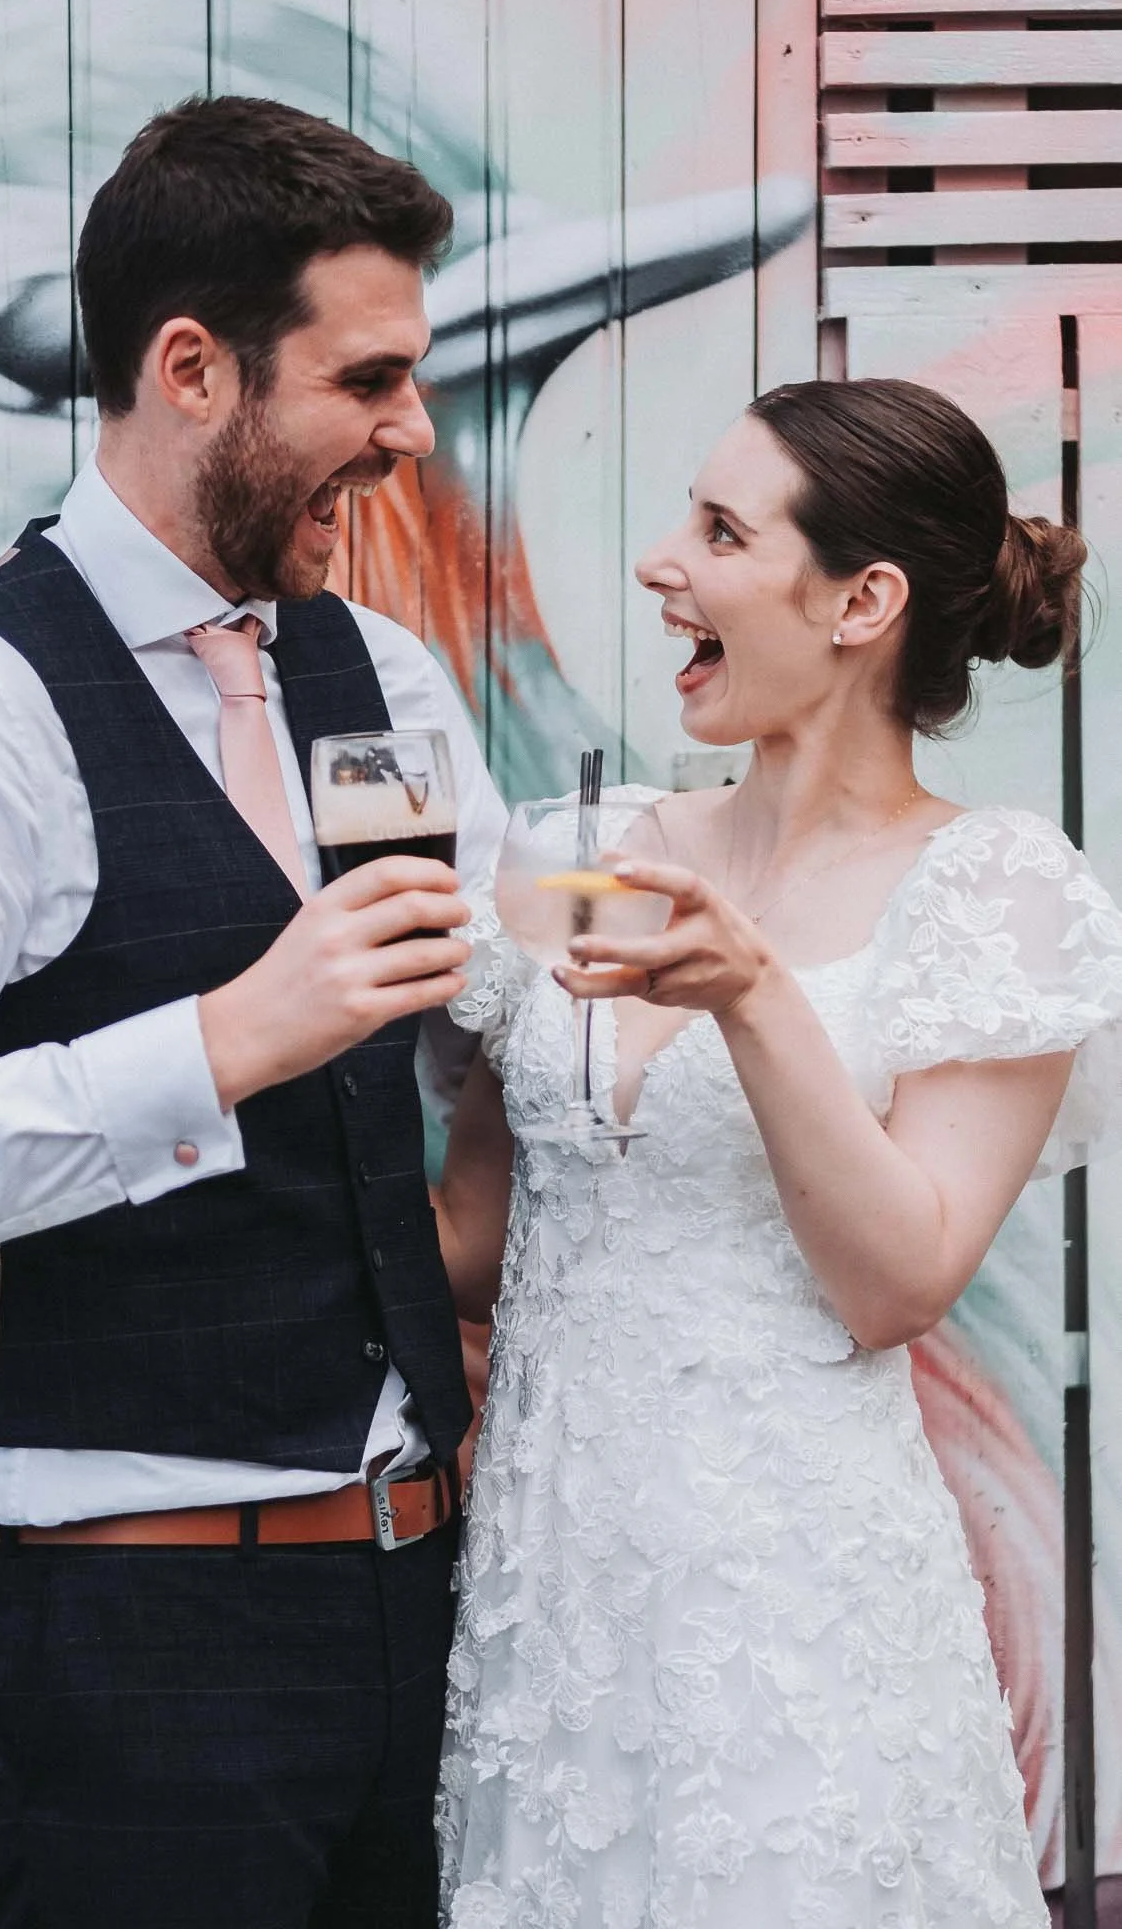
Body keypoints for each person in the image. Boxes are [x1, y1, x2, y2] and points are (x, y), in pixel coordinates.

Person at [0, 94, 509, 1929]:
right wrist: (226, 1039)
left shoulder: (384, 669)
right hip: (121, 1638)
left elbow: (491, 1030)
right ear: (193, 368)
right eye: (371, 380)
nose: (415, 431)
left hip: (423, 1600)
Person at [433, 377, 1122, 1928]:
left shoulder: (989, 889)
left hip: (796, 1609)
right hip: (556, 1617)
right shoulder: (581, 860)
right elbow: (472, 1242)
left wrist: (754, 998)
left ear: (862, 601)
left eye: (721, 530)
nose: (660, 560)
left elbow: (897, 1282)